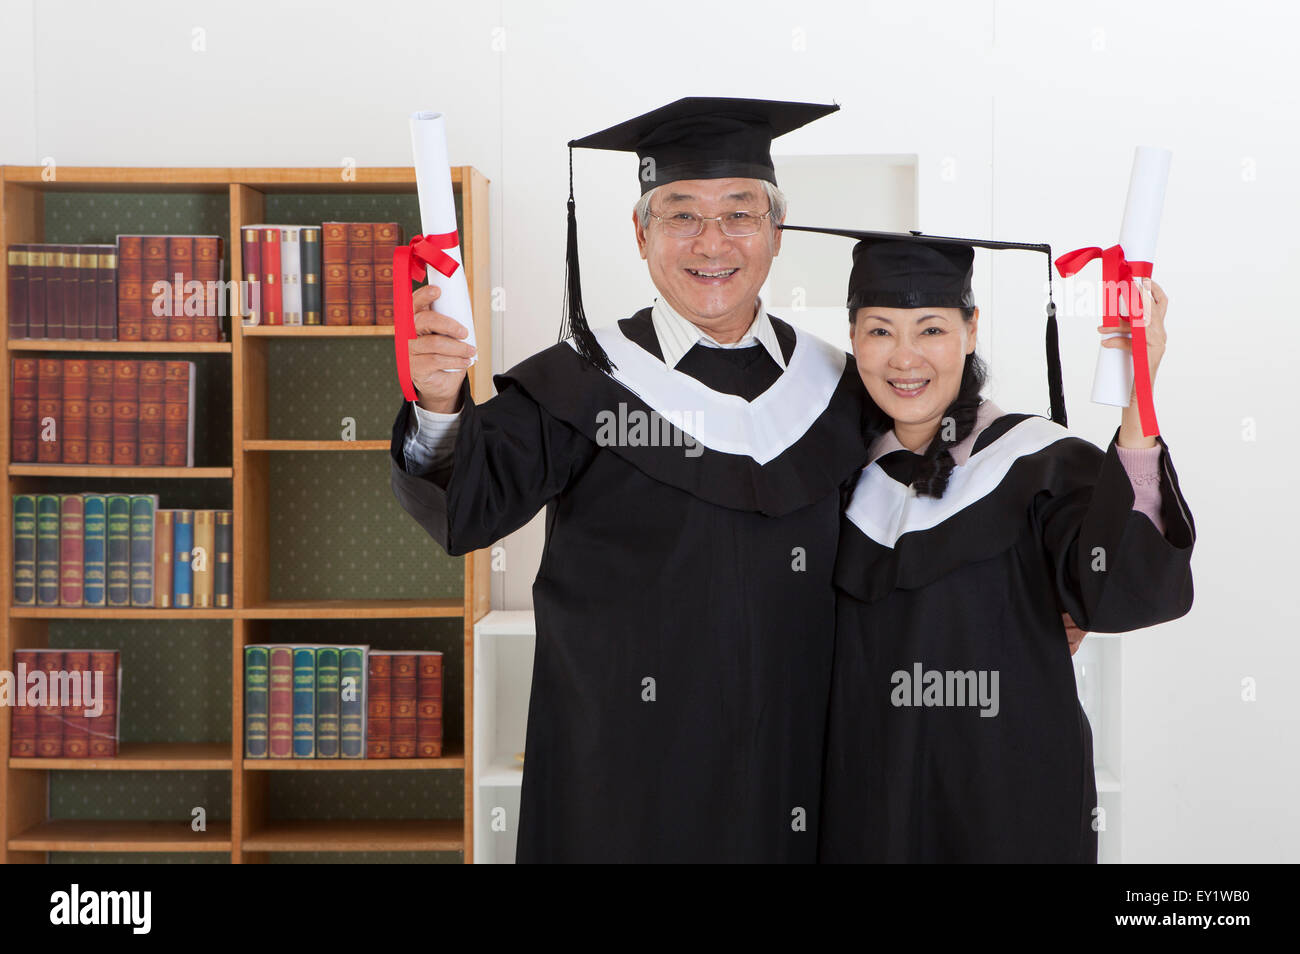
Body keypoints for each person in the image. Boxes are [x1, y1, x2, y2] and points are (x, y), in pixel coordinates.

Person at [388, 98, 884, 862]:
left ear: (776, 234)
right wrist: (441, 400)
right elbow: (468, 509)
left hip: (794, 765)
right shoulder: (584, 381)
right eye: (681, 215)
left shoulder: (843, 390)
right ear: (641, 234)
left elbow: (918, 524)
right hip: (626, 778)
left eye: (739, 214)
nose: (711, 242)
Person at [783, 227, 1196, 863]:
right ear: (854, 339)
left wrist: (1140, 394)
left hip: (1009, 801)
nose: (905, 357)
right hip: (871, 801)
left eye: (931, 329)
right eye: (880, 329)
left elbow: (1118, 591)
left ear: (971, 331)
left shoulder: (1038, 463)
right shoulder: (834, 476)